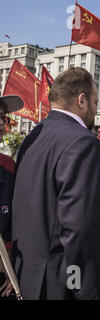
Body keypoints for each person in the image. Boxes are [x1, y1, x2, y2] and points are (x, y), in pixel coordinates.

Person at [12, 67, 100, 300]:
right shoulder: (83, 142)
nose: (95, 110)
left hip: (31, 278)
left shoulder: (33, 138)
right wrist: (82, 288)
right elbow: (78, 229)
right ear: (81, 100)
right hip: (63, 285)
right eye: (94, 102)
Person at [0, 95, 23, 299]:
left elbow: (17, 219)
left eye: (3, 117)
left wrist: (9, 258)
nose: (1, 123)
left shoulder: (8, 166)